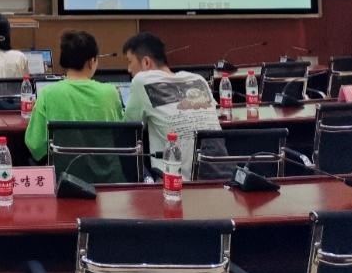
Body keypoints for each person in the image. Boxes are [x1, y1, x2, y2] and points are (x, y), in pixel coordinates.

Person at [122, 32, 222, 179]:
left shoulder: (141, 80)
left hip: (176, 185)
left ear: (146, 62)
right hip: (221, 178)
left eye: (130, 62)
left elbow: (128, 130)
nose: (129, 69)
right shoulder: (198, 80)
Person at [25, 30, 123, 164]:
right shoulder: (111, 92)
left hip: (63, 174)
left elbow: (35, 146)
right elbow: (120, 136)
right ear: (91, 61)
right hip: (108, 173)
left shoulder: (48, 94)